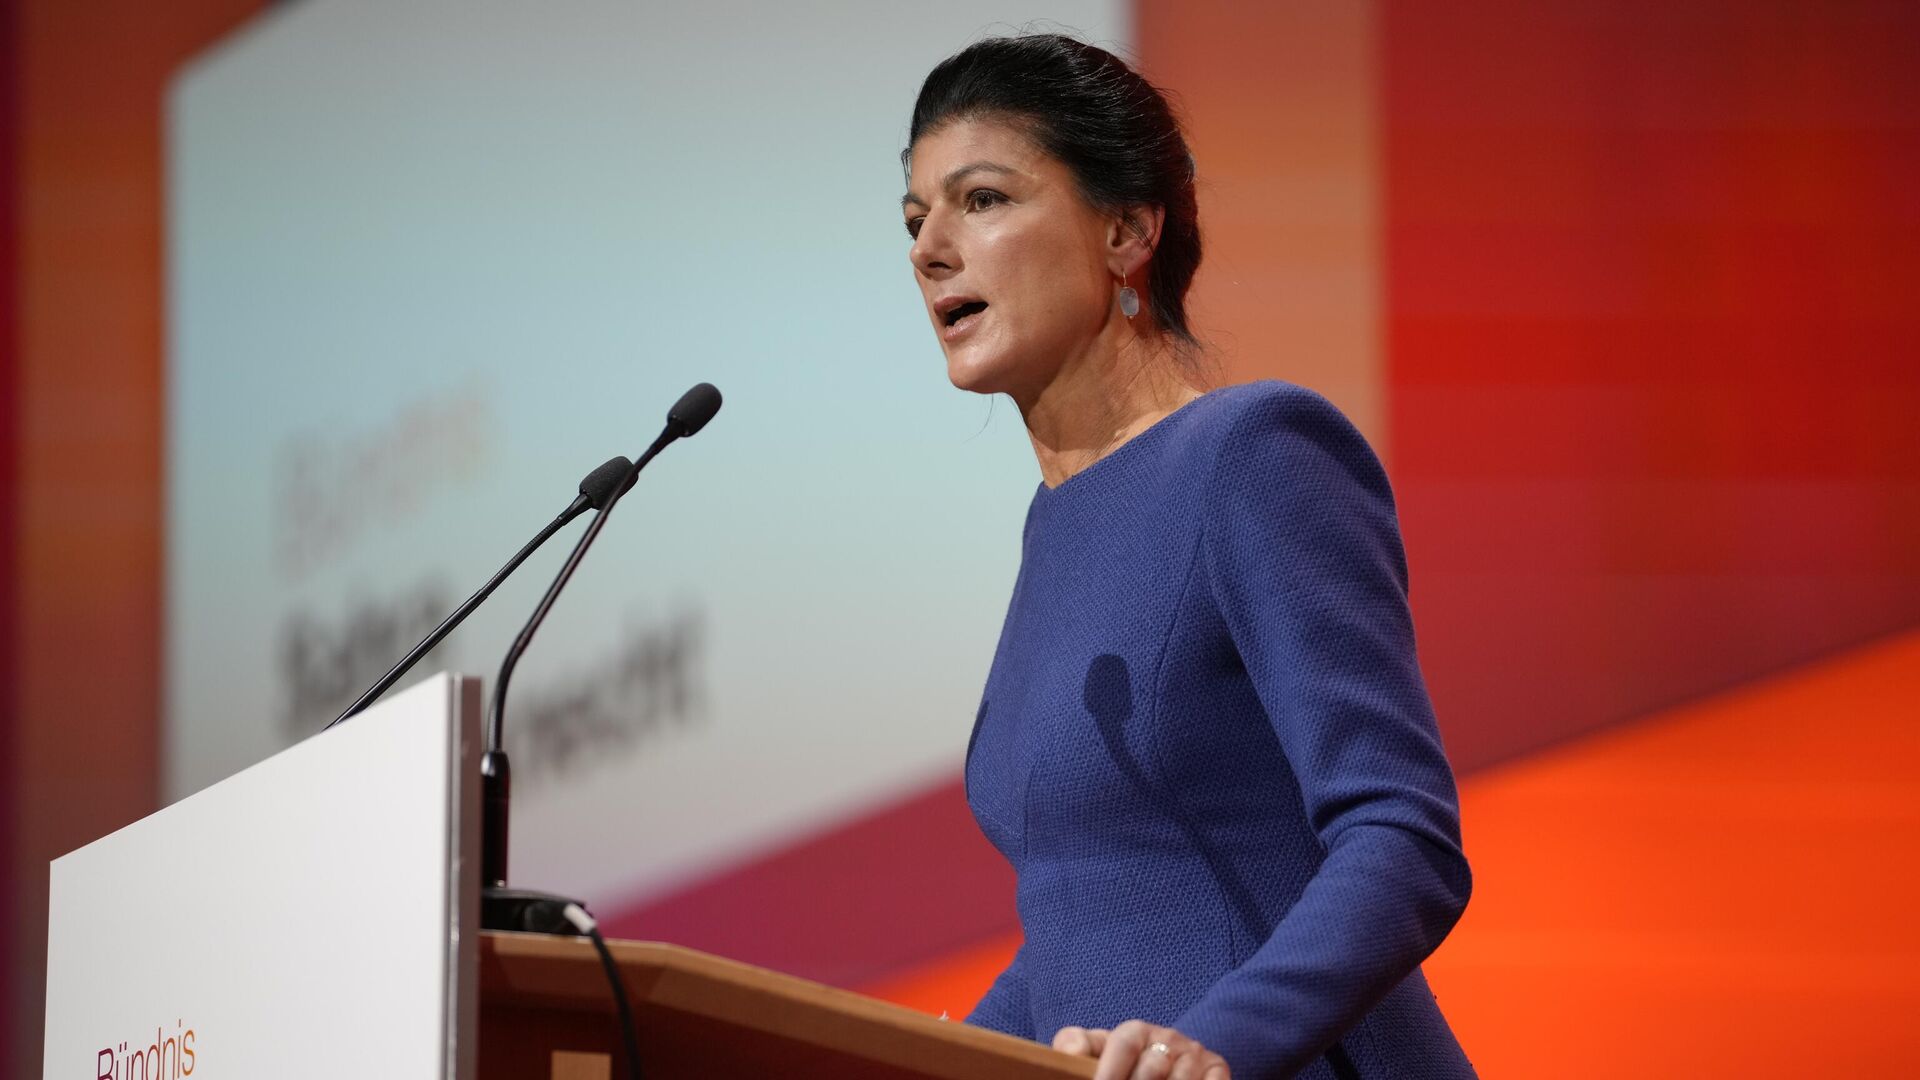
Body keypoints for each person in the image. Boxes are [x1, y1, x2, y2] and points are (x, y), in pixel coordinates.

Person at [900, 34, 1477, 1080]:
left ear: (1127, 230)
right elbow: (1088, 924)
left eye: (981, 200)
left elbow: (1405, 837)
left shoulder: (1254, 454)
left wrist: (1218, 1041)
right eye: (913, 219)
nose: (930, 248)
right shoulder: (1054, 527)